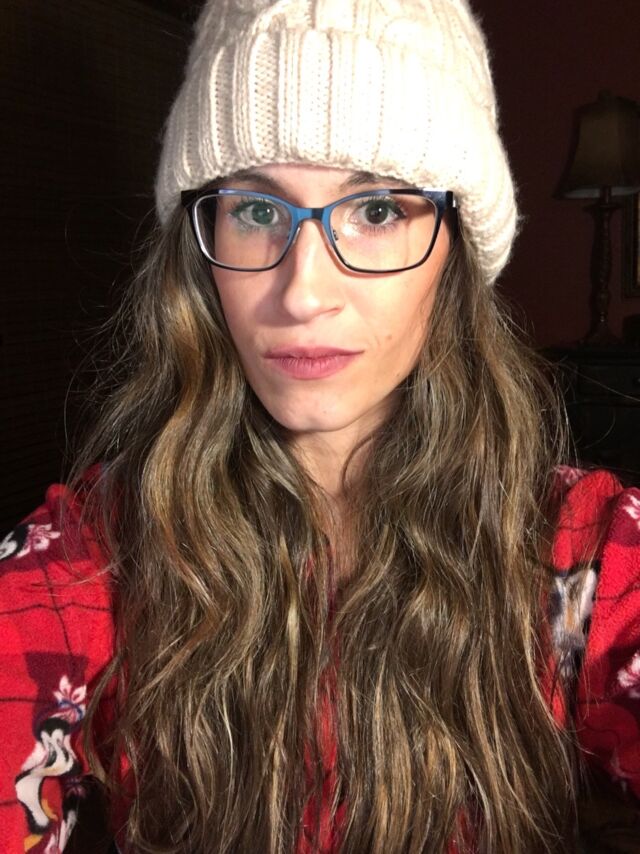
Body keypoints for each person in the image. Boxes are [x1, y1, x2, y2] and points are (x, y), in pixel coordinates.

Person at [1, 0, 639, 851]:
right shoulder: (99, 551)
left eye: (376, 211)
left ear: (455, 250)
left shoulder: (583, 556)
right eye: (258, 211)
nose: (303, 293)